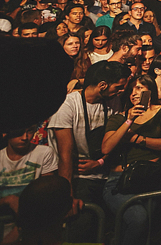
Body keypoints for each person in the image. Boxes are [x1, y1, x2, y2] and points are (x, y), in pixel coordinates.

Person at [47, 60, 130, 243]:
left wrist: (100, 162)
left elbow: (114, 139)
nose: (121, 91)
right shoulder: (67, 105)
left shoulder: (113, 100)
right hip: (78, 179)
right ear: (102, 85)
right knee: (81, 230)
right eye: (118, 87)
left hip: (104, 173)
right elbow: (65, 155)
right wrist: (67, 197)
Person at [101, 75, 161, 245]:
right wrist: (129, 120)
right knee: (138, 218)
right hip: (120, 182)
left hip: (150, 180)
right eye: (132, 89)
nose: (135, 93)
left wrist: (135, 138)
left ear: (150, 91)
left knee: (142, 230)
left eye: (140, 88)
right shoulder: (118, 118)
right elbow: (106, 147)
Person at [0, 126, 59, 243]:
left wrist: (22, 227)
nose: (25, 137)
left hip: (34, 230)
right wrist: (9, 200)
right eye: (19, 132)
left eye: (30, 131)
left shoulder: (43, 153)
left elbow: (47, 196)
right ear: (5, 134)